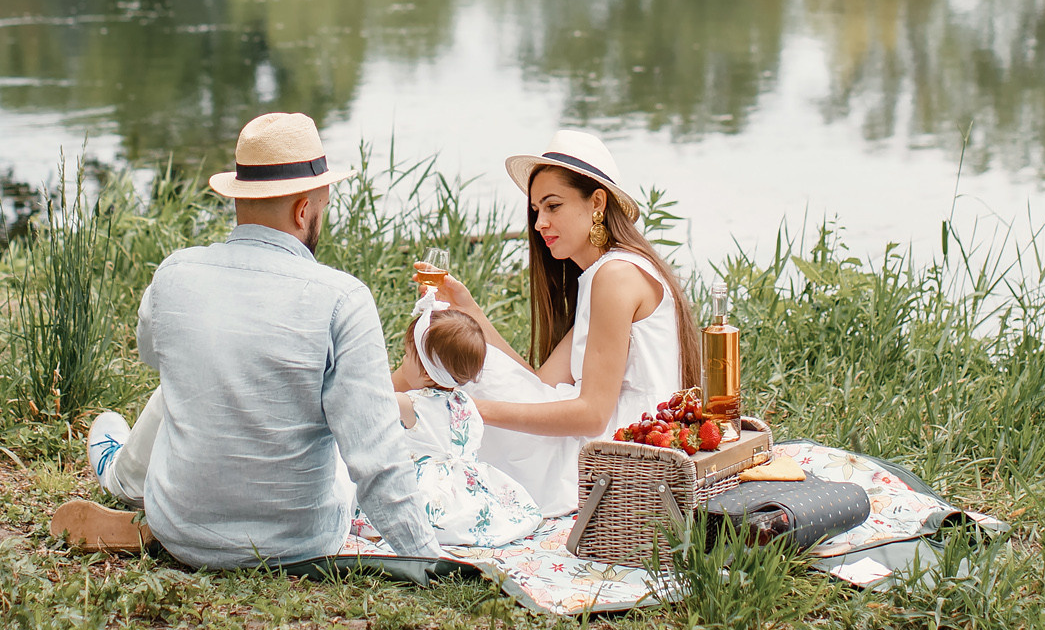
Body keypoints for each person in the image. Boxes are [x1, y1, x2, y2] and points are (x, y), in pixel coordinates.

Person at [48, 112, 441, 567]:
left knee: (176, 384)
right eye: (322, 206)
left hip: (181, 532)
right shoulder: (343, 299)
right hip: (298, 544)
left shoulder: (175, 273)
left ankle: (121, 476)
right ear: (302, 209)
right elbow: (376, 460)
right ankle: (124, 473)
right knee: (341, 428)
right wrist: (431, 560)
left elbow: (153, 356)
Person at [434, 129, 700, 515]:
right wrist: (472, 312)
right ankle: (393, 410)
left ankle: (387, 412)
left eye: (552, 206)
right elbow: (537, 385)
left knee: (447, 358)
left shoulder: (615, 277)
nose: (540, 222)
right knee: (458, 347)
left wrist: (473, 409)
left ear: (596, 202)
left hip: (623, 457)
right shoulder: (607, 276)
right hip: (615, 446)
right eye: (536, 209)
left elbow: (592, 416)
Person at [388, 298, 543, 549]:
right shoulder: (466, 402)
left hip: (427, 486)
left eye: (406, 355)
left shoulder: (410, 404)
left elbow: (373, 401)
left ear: (427, 372)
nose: (402, 362)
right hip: (465, 482)